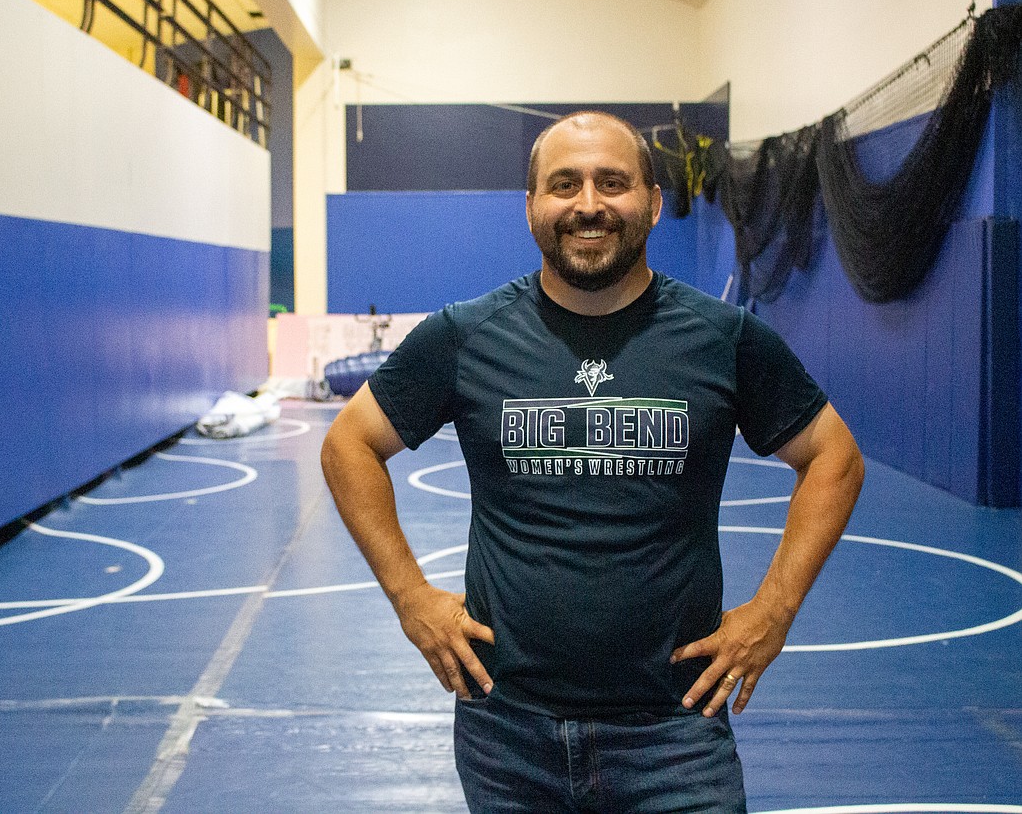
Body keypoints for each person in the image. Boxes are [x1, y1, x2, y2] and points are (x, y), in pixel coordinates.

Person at [320, 111, 864, 812]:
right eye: (564, 184)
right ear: (530, 207)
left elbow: (834, 457)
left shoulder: (722, 338)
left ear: (654, 202)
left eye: (613, 182)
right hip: (506, 727)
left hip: (675, 734)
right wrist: (409, 597)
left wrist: (774, 610)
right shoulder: (466, 336)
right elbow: (349, 443)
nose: (588, 205)